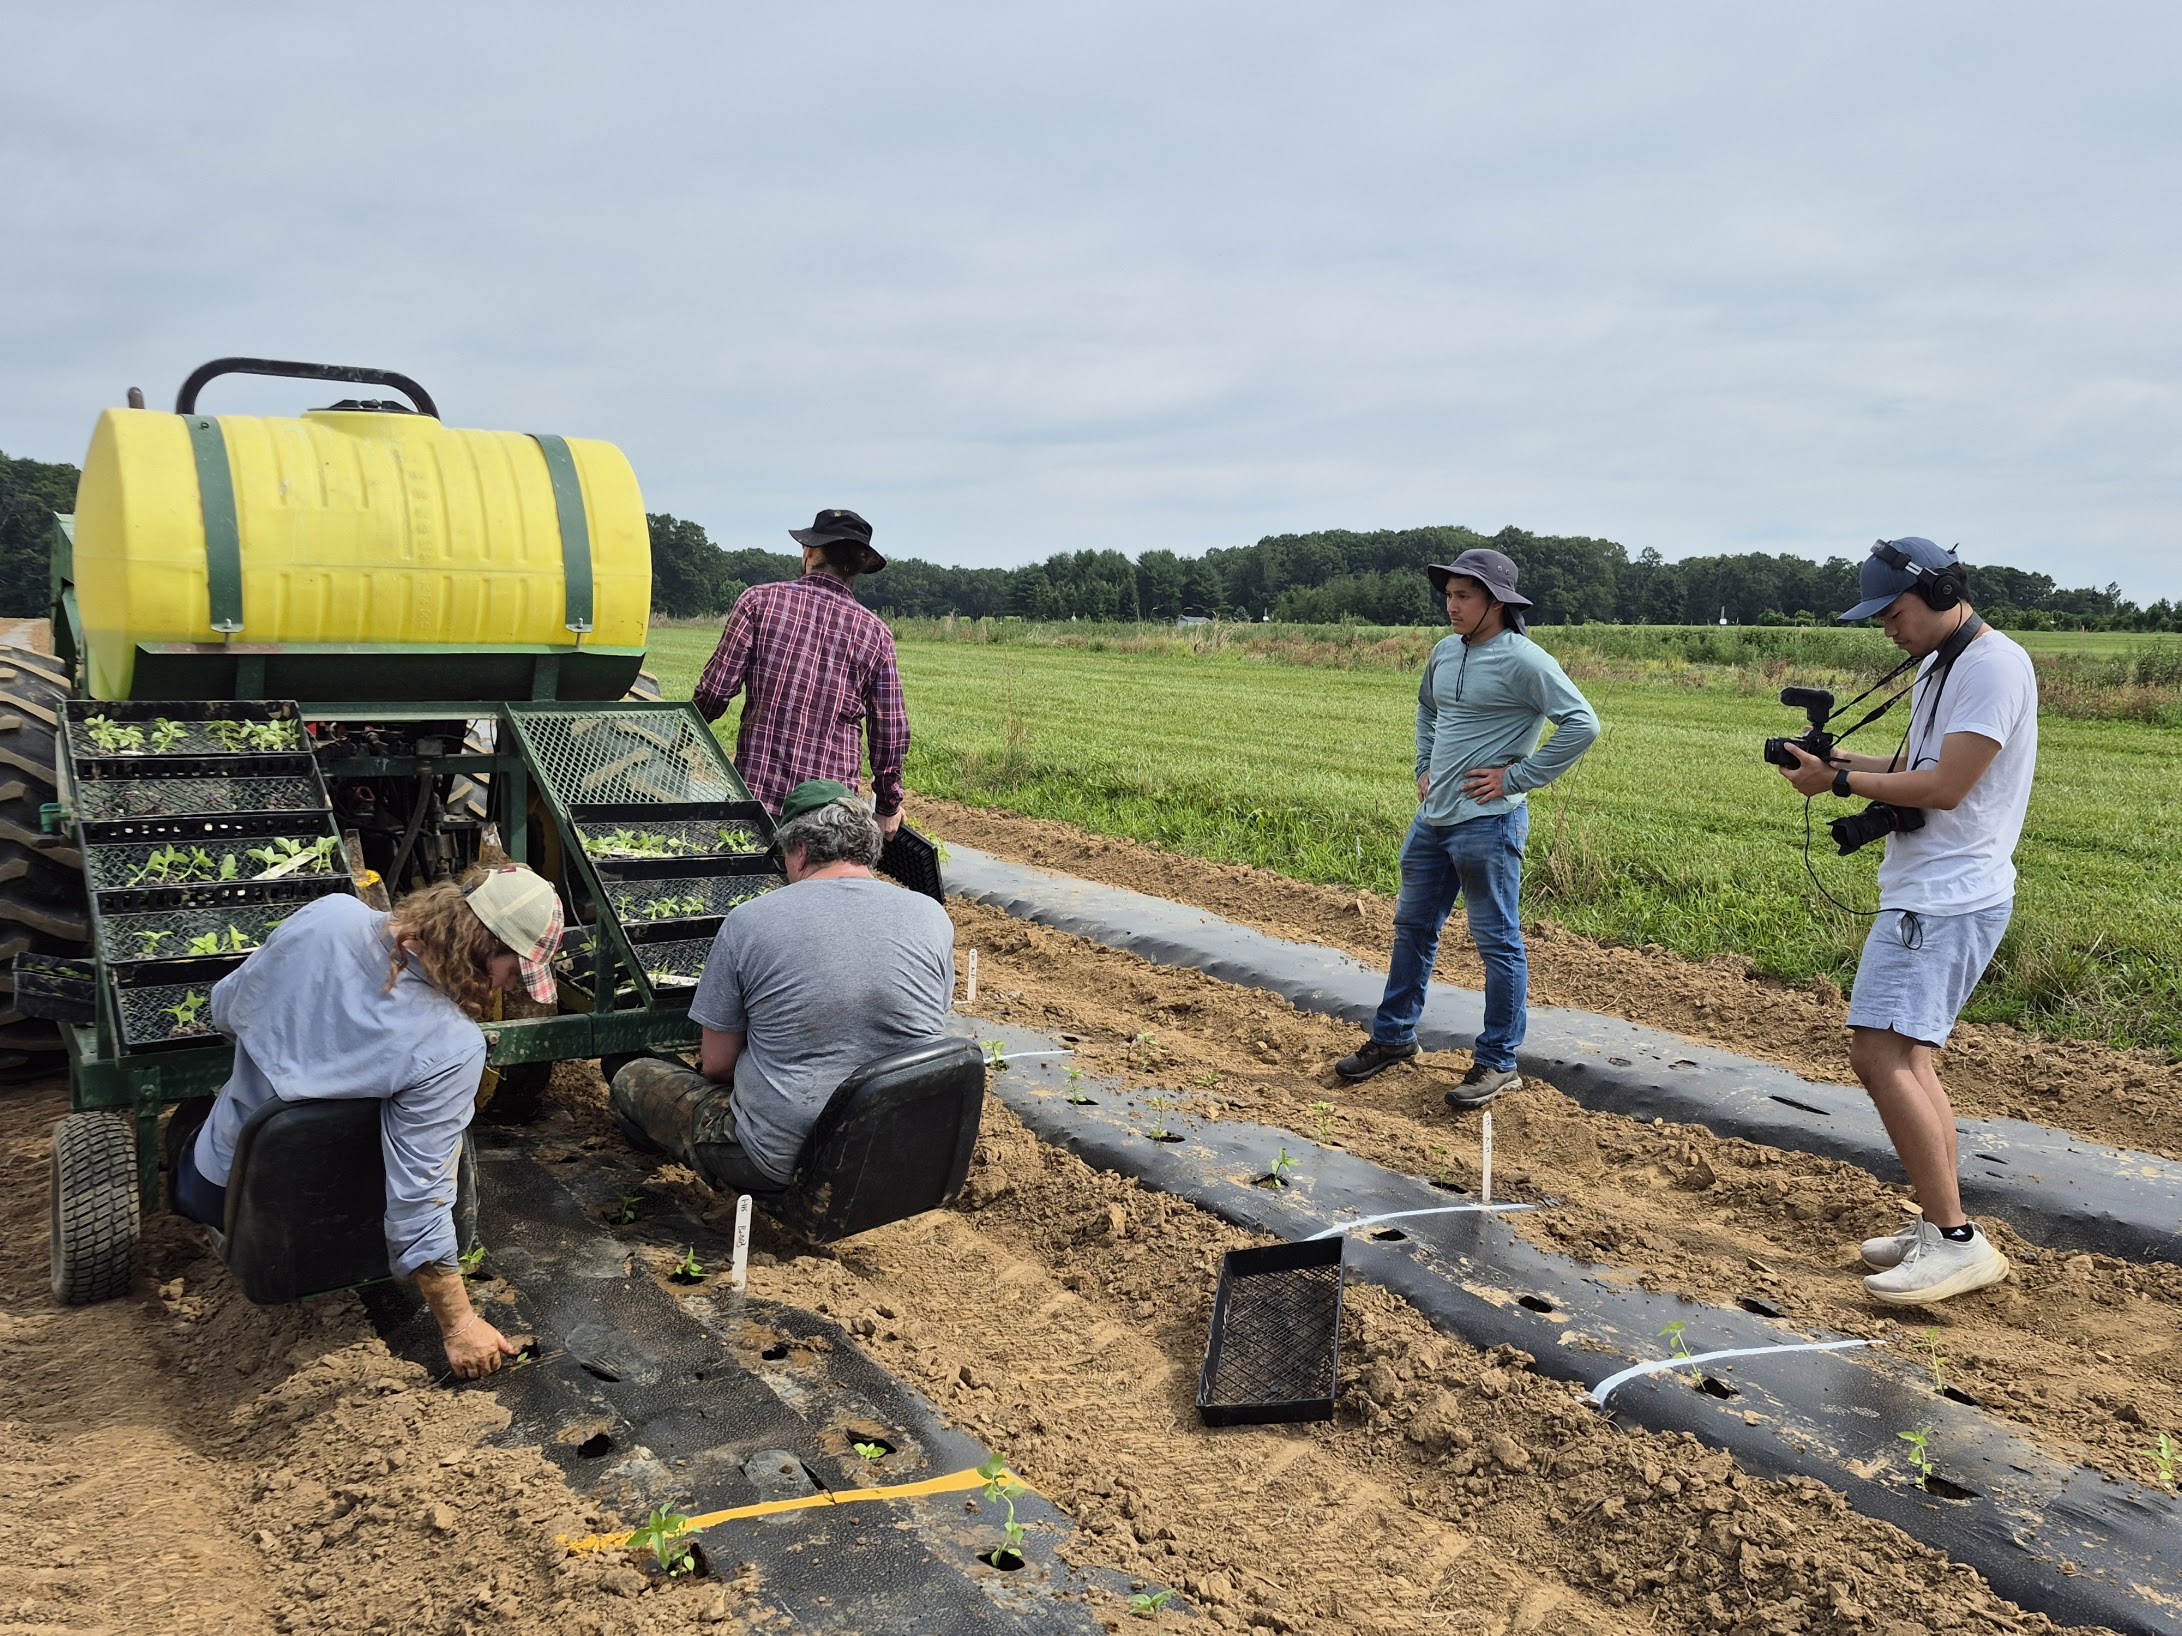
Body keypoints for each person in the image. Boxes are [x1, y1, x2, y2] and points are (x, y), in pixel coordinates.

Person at [174, 865, 564, 1379]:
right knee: (437, 1144)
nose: (509, 988)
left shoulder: (327, 916)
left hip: (221, 1190)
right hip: (342, 1237)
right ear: (479, 947)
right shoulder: (450, 1047)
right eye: (512, 972)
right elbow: (418, 1193)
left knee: (195, 1117)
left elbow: (225, 1009)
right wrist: (460, 1324)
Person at [1777, 537, 2035, 1306]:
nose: (1887, 629)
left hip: (1945, 896)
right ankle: (1939, 1225)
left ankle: (1955, 1241)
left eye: (1893, 613)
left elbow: (1950, 786)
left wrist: (1842, 778)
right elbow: (1918, 765)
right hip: (1934, 888)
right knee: (1909, 1058)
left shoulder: (1990, 666)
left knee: (1877, 1054)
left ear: (1942, 591)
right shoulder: (1944, 662)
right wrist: (1831, 763)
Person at [1333, 549, 1599, 1109]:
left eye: (1464, 596)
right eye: (1448, 595)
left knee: (1497, 942)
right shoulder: (1444, 651)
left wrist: (1518, 777)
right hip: (1433, 820)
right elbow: (1427, 708)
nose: (1451, 606)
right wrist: (1424, 766)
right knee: (1412, 928)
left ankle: (1499, 1061)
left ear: (1496, 602)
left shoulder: (1524, 660)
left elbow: (1583, 723)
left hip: (1489, 824)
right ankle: (1393, 1038)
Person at [609, 780, 954, 1193]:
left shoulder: (750, 920)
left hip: (784, 1161)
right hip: (901, 1145)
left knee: (631, 1075)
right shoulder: (930, 914)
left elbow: (717, 1066)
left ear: (802, 850)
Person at [693, 508, 909, 837]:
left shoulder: (758, 602)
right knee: (821, 887)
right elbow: (890, 732)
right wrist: (888, 806)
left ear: (810, 552)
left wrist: (684, 733)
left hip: (758, 800)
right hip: (830, 814)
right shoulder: (876, 633)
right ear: (857, 567)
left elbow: (715, 691)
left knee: (751, 886)